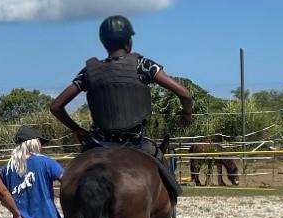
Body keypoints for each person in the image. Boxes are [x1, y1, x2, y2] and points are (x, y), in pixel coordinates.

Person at [49, 14, 193, 198]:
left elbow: (56, 106)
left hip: (98, 143)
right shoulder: (143, 65)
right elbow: (185, 94)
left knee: (75, 174)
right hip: (135, 142)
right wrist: (186, 114)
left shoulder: (88, 72)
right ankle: (169, 206)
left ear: (104, 43)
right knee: (164, 173)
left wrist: (77, 129)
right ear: (128, 42)